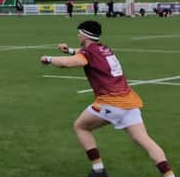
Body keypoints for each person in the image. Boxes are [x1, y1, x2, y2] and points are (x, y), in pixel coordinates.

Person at [40, 20, 175, 177]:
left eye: (79, 33)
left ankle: (98, 170)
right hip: (129, 101)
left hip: (111, 102)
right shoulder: (103, 48)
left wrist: (48, 59)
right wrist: (69, 50)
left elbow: (73, 63)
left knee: (81, 127)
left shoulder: (87, 53)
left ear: (84, 34)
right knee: (145, 140)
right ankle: (169, 175)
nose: (78, 35)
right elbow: (83, 54)